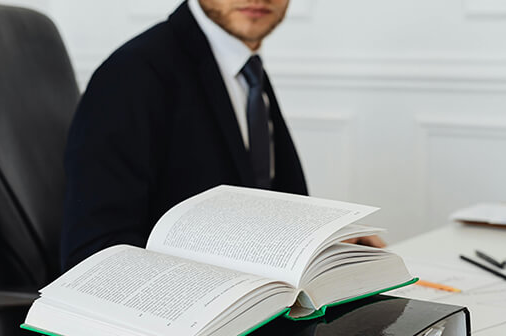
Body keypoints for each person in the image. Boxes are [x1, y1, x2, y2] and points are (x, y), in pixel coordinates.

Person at [60, 0, 382, 272]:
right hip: (171, 322)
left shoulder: (247, 70)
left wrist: (322, 243)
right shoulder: (132, 73)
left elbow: (258, 207)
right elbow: (94, 254)